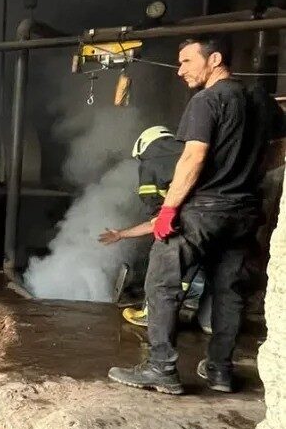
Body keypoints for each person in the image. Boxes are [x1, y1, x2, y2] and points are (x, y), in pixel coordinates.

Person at [108, 37, 286, 395]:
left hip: (203, 210)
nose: (180, 70)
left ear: (215, 59)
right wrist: (251, 173)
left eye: (188, 61)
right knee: (228, 290)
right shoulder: (262, 101)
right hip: (245, 211)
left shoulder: (207, 101)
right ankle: (220, 370)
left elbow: (192, 158)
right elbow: (281, 146)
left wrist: (168, 211)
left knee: (162, 283)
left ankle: (161, 368)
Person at [99, 125, 208, 329]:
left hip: (186, 228)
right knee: (208, 273)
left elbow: (158, 220)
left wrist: (122, 234)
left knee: (161, 271)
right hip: (217, 220)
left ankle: (152, 317)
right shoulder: (190, 151)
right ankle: (208, 321)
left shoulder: (151, 164)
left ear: (143, 147)